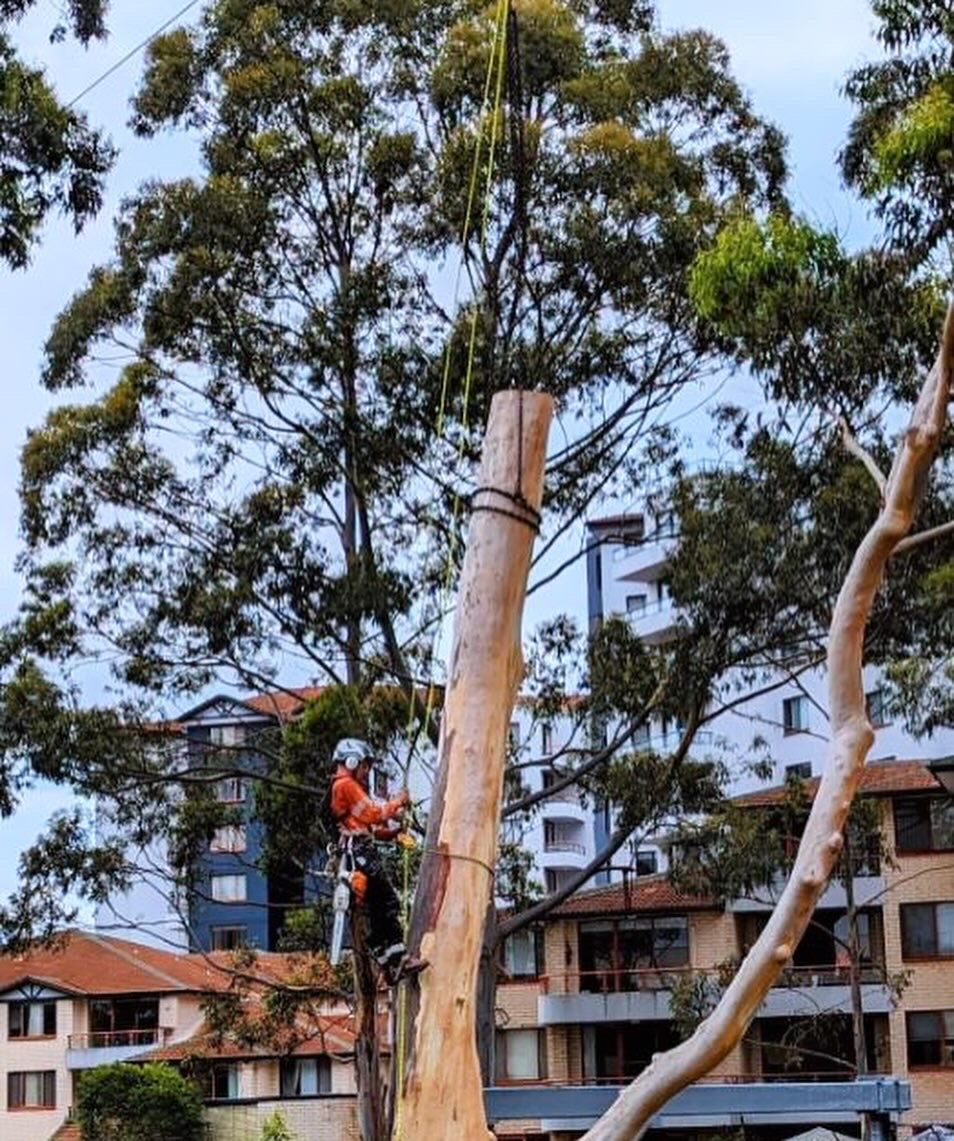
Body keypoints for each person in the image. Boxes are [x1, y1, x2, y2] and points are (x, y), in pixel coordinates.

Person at [329, 737, 426, 985]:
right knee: (387, 902)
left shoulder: (344, 787)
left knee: (375, 912)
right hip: (361, 853)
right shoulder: (345, 785)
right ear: (351, 761)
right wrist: (397, 802)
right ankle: (400, 959)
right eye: (365, 766)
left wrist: (393, 833)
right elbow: (372, 813)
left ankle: (386, 965)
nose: (367, 772)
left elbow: (368, 827)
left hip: (357, 851)